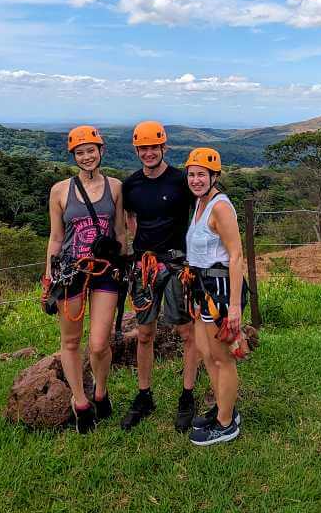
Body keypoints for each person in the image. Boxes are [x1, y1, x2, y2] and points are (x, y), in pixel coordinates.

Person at [42, 125, 128, 434]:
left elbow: (119, 231)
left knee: (99, 342)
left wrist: (123, 264)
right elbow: (55, 237)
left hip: (105, 269)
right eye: (80, 152)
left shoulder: (115, 187)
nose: (87, 156)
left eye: (91, 150)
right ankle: (80, 402)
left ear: (101, 151)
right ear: (74, 156)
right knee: (70, 340)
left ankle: (101, 390)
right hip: (70, 269)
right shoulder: (60, 190)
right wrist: (48, 273)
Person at [120, 120, 200, 431]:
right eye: (144, 148)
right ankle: (144, 395)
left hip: (178, 263)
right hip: (144, 265)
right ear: (137, 150)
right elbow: (129, 218)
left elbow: (205, 205)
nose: (149, 152)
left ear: (164, 147)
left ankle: (187, 394)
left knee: (186, 332)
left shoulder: (182, 181)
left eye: (154, 147)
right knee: (144, 333)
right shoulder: (131, 185)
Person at [184, 147, 247, 446]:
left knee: (223, 359)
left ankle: (226, 424)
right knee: (206, 354)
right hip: (201, 288)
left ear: (215, 176)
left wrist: (234, 307)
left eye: (202, 175)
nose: (196, 179)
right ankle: (224, 408)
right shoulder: (199, 204)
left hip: (220, 290)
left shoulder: (220, 207)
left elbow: (236, 256)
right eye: (192, 174)